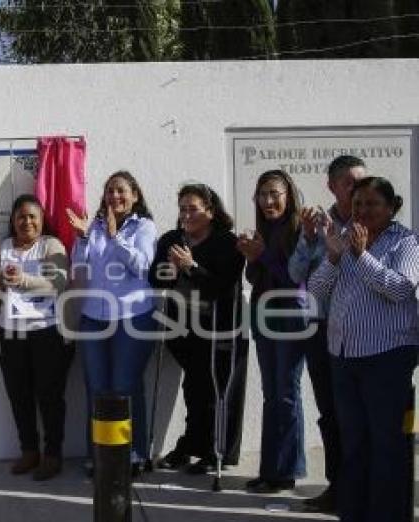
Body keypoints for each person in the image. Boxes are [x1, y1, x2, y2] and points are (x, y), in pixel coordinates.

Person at [309, 176, 419, 522]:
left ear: (391, 207)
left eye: (372, 204)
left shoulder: (405, 242)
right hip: (344, 355)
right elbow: (315, 292)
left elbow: (401, 288)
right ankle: (353, 521)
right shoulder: (344, 239)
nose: (363, 211)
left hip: (387, 356)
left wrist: (362, 256)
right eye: (358, 204)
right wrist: (335, 256)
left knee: (386, 443)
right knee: (353, 442)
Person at [149, 184, 247, 474]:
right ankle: (190, 445)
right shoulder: (171, 239)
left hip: (217, 327)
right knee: (194, 388)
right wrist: (170, 269)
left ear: (210, 211)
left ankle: (215, 450)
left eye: (193, 209)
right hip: (181, 326)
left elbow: (221, 286)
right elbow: (155, 279)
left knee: (214, 390)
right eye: (182, 209)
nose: (186, 215)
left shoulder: (226, 242)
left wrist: (190, 266)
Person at [287, 155, 366, 513]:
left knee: (361, 414)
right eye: (349, 182)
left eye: (361, 181)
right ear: (332, 186)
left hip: (364, 331)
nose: (357, 189)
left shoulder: (374, 221)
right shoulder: (318, 225)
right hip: (322, 330)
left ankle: (364, 489)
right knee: (330, 412)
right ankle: (338, 487)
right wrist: (306, 237)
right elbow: (295, 273)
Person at [66, 170, 157, 476]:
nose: (114, 197)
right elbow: (79, 267)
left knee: (124, 388)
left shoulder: (143, 227)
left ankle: (132, 453)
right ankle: (101, 455)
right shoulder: (95, 226)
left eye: (121, 191)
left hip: (133, 318)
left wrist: (117, 237)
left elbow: (142, 266)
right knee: (97, 388)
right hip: (94, 317)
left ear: (135, 195)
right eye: (109, 191)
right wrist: (81, 237)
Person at [0, 194, 73, 481]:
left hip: (47, 333)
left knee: (50, 397)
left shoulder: (50, 245)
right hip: (9, 335)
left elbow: (57, 283)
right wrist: (0, 280)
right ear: (13, 221)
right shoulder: (3, 248)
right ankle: (29, 451)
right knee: (19, 396)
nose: (27, 221)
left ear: (42, 220)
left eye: (33, 216)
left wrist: (21, 280)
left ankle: (52, 454)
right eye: (21, 216)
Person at [237, 170, 306, 494]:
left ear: (288, 195)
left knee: (287, 394)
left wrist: (262, 256)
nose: (267, 201)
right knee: (271, 394)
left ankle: (287, 470)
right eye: (262, 194)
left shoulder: (297, 229)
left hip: (291, 317)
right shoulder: (265, 229)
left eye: (274, 193)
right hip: (265, 316)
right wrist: (253, 258)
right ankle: (270, 469)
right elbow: (257, 277)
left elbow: (294, 279)